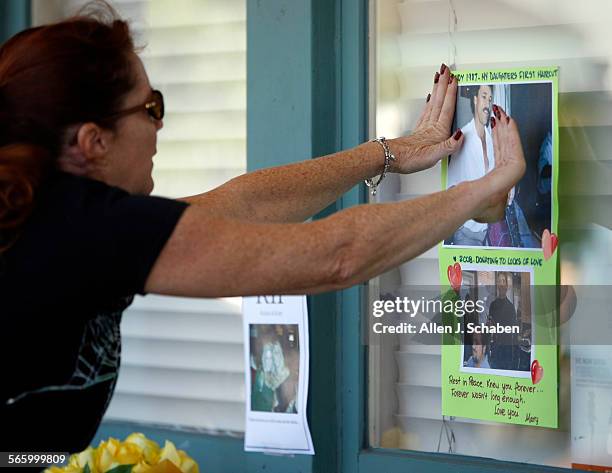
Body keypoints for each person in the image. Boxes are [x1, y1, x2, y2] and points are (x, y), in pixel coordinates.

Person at [0, 7, 526, 453]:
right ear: (94, 141)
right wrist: (478, 192)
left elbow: (241, 204)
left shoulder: (53, 217)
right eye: (151, 107)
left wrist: (388, 154)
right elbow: (337, 255)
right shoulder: (82, 228)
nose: (159, 125)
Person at [447, 85, 495, 246]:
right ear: (475, 100)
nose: (487, 104)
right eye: (484, 96)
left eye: (490, 99)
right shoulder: (463, 137)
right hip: (466, 232)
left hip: (487, 232)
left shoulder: (490, 138)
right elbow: (450, 186)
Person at [488, 272, 519, 370]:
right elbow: (491, 328)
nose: (501, 284)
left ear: (506, 286)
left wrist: (514, 356)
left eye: (503, 281)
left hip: (507, 352)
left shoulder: (511, 308)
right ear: (497, 285)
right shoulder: (492, 305)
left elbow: (514, 334)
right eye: (499, 281)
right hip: (495, 350)